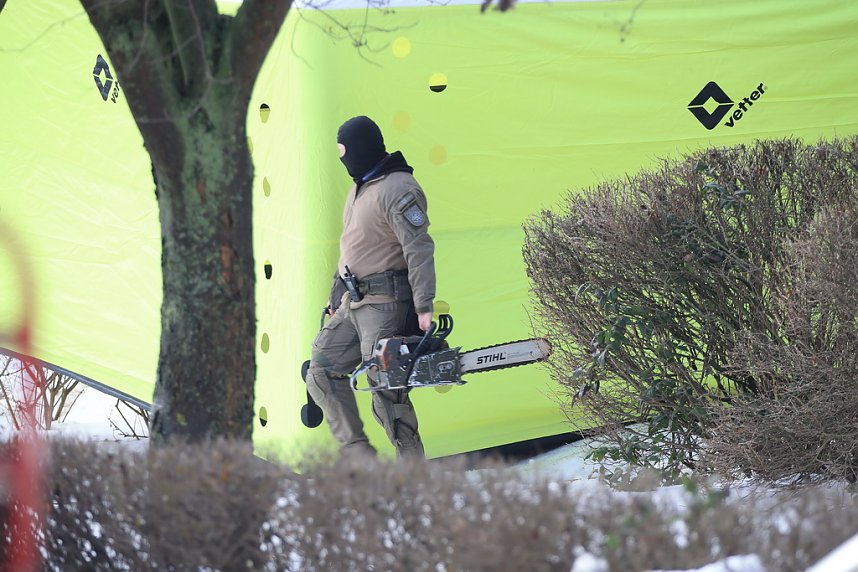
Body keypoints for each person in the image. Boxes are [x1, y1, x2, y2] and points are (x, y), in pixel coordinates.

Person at [305, 116, 435, 458]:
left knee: (386, 390)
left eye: (344, 150)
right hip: (353, 301)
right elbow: (350, 248)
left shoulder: (398, 188)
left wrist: (423, 306)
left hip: (385, 303)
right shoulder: (359, 187)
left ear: (360, 148)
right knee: (321, 368)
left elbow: (418, 247)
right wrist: (335, 300)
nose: (342, 158)